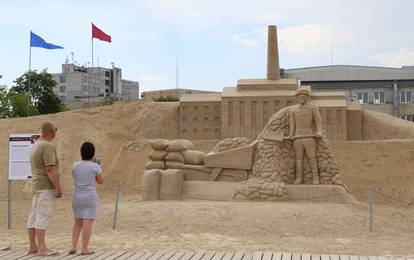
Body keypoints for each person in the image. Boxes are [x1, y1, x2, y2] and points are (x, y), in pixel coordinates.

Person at [27, 122, 61, 257]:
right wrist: (57, 186)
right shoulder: (47, 146)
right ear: (51, 131)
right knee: (43, 215)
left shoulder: (35, 145)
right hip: (46, 186)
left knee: (34, 215)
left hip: (36, 185)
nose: (56, 132)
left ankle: (32, 246)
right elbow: (50, 168)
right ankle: (42, 248)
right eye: (55, 129)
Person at [69, 142, 104, 256]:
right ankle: (84, 248)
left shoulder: (75, 165)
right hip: (89, 196)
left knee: (77, 222)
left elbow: (74, 176)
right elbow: (100, 181)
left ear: (81, 153)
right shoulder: (95, 166)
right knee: (87, 222)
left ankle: (73, 247)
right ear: (93, 154)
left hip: (77, 196)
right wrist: (99, 168)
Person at [288, 87, 323, 184]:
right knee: (298, 159)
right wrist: (291, 135)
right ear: (297, 98)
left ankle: (315, 178)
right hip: (297, 137)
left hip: (309, 136)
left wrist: (319, 131)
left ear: (307, 97)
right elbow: (292, 124)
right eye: (299, 96)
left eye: (303, 96)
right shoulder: (293, 110)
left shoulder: (313, 108)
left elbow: (318, 121)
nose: (301, 98)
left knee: (312, 157)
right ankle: (299, 178)